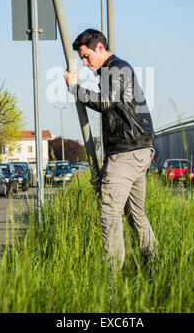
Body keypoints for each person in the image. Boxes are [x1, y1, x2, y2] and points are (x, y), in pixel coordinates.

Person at [64, 28, 157, 271]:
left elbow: (106, 102)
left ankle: (111, 287)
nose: (85, 64)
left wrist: (74, 88)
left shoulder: (115, 68)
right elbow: (114, 122)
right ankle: (155, 267)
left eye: (86, 57)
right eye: (82, 59)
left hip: (129, 152)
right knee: (135, 215)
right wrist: (108, 162)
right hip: (134, 151)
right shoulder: (114, 70)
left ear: (100, 48)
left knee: (109, 212)